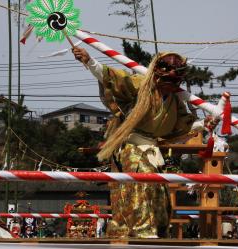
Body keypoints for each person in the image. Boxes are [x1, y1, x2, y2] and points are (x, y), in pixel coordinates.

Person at [72, 47, 218, 238]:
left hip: (152, 150)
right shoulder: (139, 85)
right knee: (144, 183)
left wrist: (205, 124)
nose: (171, 75)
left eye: (176, 73)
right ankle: (143, 231)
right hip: (131, 147)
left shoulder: (174, 100)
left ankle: (157, 230)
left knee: (160, 191)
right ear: (157, 71)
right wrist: (89, 61)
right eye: (167, 70)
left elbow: (183, 124)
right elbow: (115, 79)